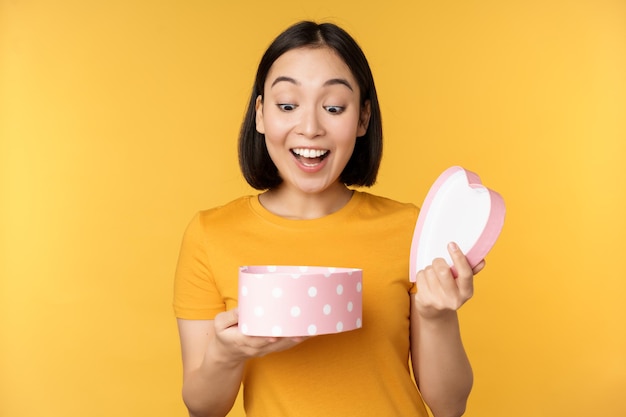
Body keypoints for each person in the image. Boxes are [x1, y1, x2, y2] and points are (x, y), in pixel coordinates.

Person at [173, 20, 485, 417]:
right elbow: (203, 408)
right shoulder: (210, 234)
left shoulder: (411, 229)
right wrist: (226, 352)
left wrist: (436, 314)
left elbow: (450, 405)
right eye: (287, 105)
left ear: (362, 119)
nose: (310, 128)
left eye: (334, 107)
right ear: (260, 115)